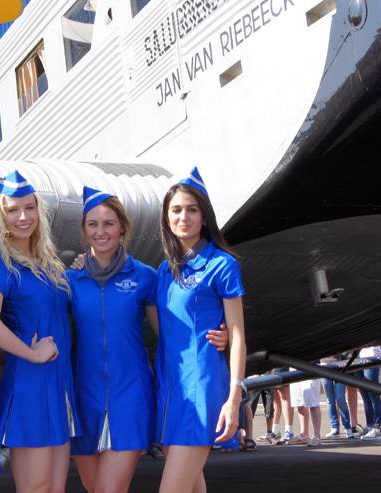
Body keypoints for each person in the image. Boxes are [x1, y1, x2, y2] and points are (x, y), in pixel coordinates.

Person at [68, 186, 229, 492]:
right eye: (93, 224)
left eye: (109, 224)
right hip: (83, 396)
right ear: (84, 230)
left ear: (122, 229)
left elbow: (174, 326)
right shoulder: (70, 280)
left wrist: (222, 332)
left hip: (131, 395)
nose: (101, 232)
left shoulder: (146, 277)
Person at [0, 170, 78, 493]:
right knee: (37, 488)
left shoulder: (48, 263)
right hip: (30, 386)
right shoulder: (3, 265)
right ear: (0, 216)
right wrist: (31, 352)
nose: (23, 217)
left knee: (55, 488)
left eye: (29, 208)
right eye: (13, 210)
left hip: (59, 384)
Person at [154, 167, 247, 493]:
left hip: (201, 387)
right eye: (176, 210)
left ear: (205, 217)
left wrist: (234, 397)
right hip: (169, 388)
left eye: (192, 210)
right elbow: (164, 322)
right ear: (166, 218)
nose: (184, 217)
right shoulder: (164, 270)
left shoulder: (222, 264)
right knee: (192, 486)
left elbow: (236, 336)